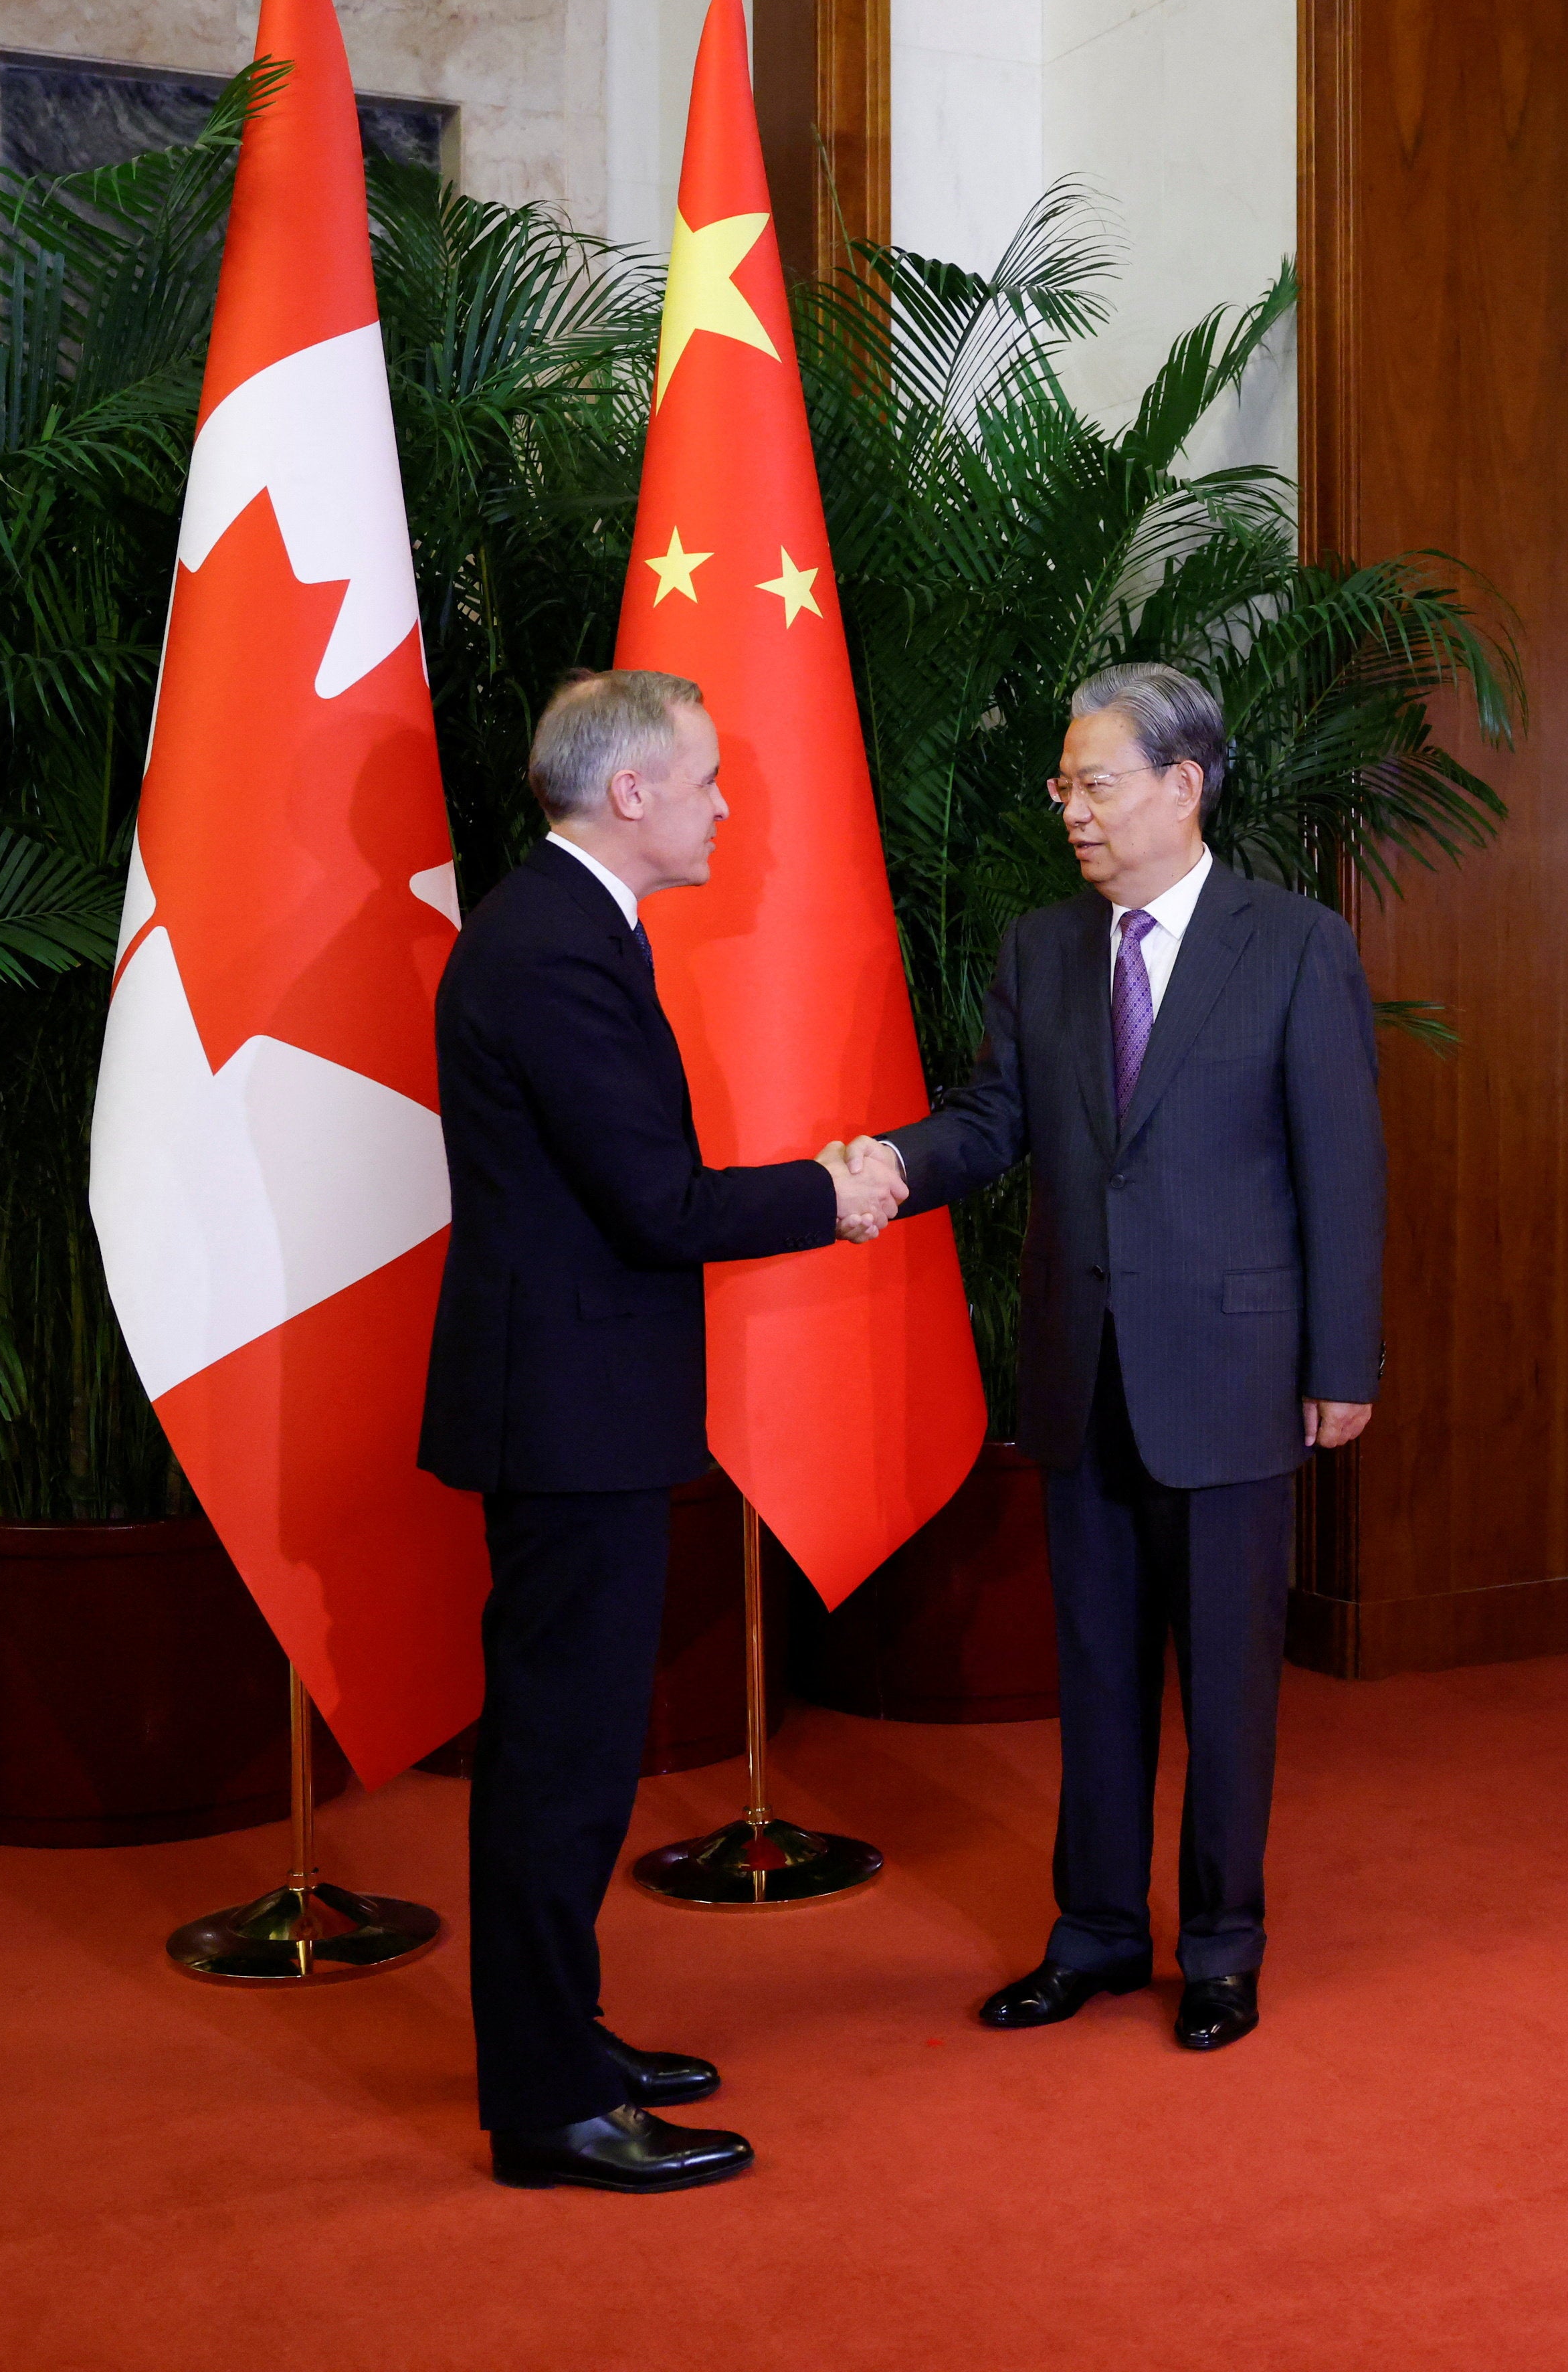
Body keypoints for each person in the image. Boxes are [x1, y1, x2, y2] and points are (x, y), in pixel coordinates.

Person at [837, 662, 1383, 2053]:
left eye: (1093, 781)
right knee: (1095, 1675)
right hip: (1087, 1373)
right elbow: (992, 1121)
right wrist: (888, 1163)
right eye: (1063, 785)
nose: (1067, 806)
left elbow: (1344, 1171)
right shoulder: (1042, 951)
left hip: (1237, 1375)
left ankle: (1221, 1946)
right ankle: (1090, 1934)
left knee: (1230, 1683)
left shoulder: (1295, 944)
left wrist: (1344, 1358)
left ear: (1183, 784)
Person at [420, 668, 902, 2193]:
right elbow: (659, 1205)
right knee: (560, 1765)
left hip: (584, 1408)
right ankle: (551, 2108)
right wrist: (838, 1191)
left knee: (574, 1754)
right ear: (629, 793)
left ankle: (564, 2040)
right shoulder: (553, 948)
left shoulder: (567, 928)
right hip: (568, 1420)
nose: (723, 804)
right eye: (705, 778)